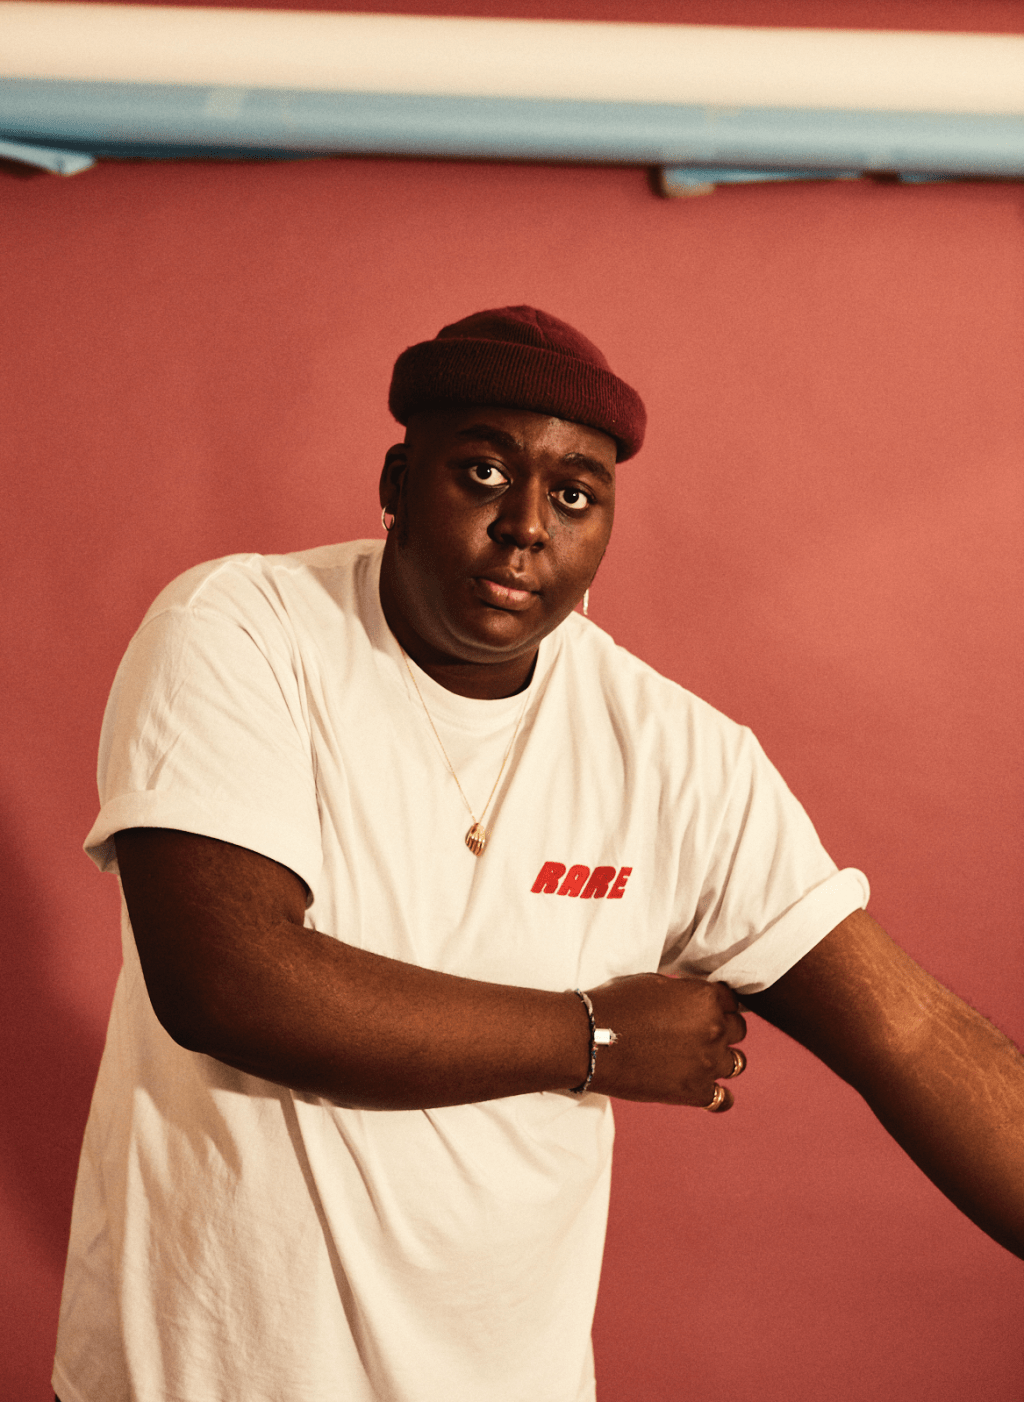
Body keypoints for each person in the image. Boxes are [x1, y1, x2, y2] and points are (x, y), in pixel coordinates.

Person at [53, 307, 1023, 1402]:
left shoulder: (673, 754)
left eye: (572, 495)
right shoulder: (242, 629)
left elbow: (911, 1028)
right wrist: (593, 1037)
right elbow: (231, 981)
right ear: (397, 480)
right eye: (482, 471)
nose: (524, 526)